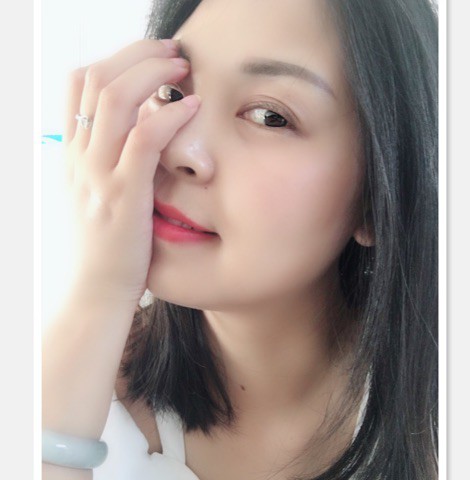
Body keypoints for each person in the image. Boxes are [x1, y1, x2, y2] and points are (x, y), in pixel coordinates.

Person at [42, 0, 439, 478]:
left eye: (270, 117)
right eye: (171, 93)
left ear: (378, 196)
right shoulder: (72, 379)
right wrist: (98, 293)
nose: (178, 149)